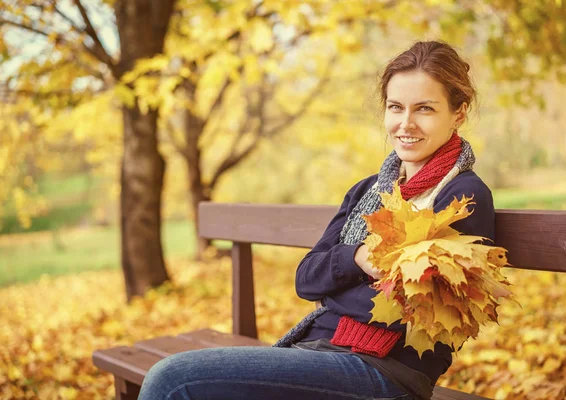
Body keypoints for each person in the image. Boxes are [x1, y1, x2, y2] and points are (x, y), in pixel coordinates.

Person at [138, 40, 495, 400]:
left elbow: (414, 313)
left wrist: (338, 284)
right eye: (395, 107)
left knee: (173, 379)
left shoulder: (462, 197)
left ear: (459, 113)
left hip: (385, 370)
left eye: (425, 109)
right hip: (322, 350)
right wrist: (357, 259)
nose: (406, 124)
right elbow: (307, 279)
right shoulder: (367, 191)